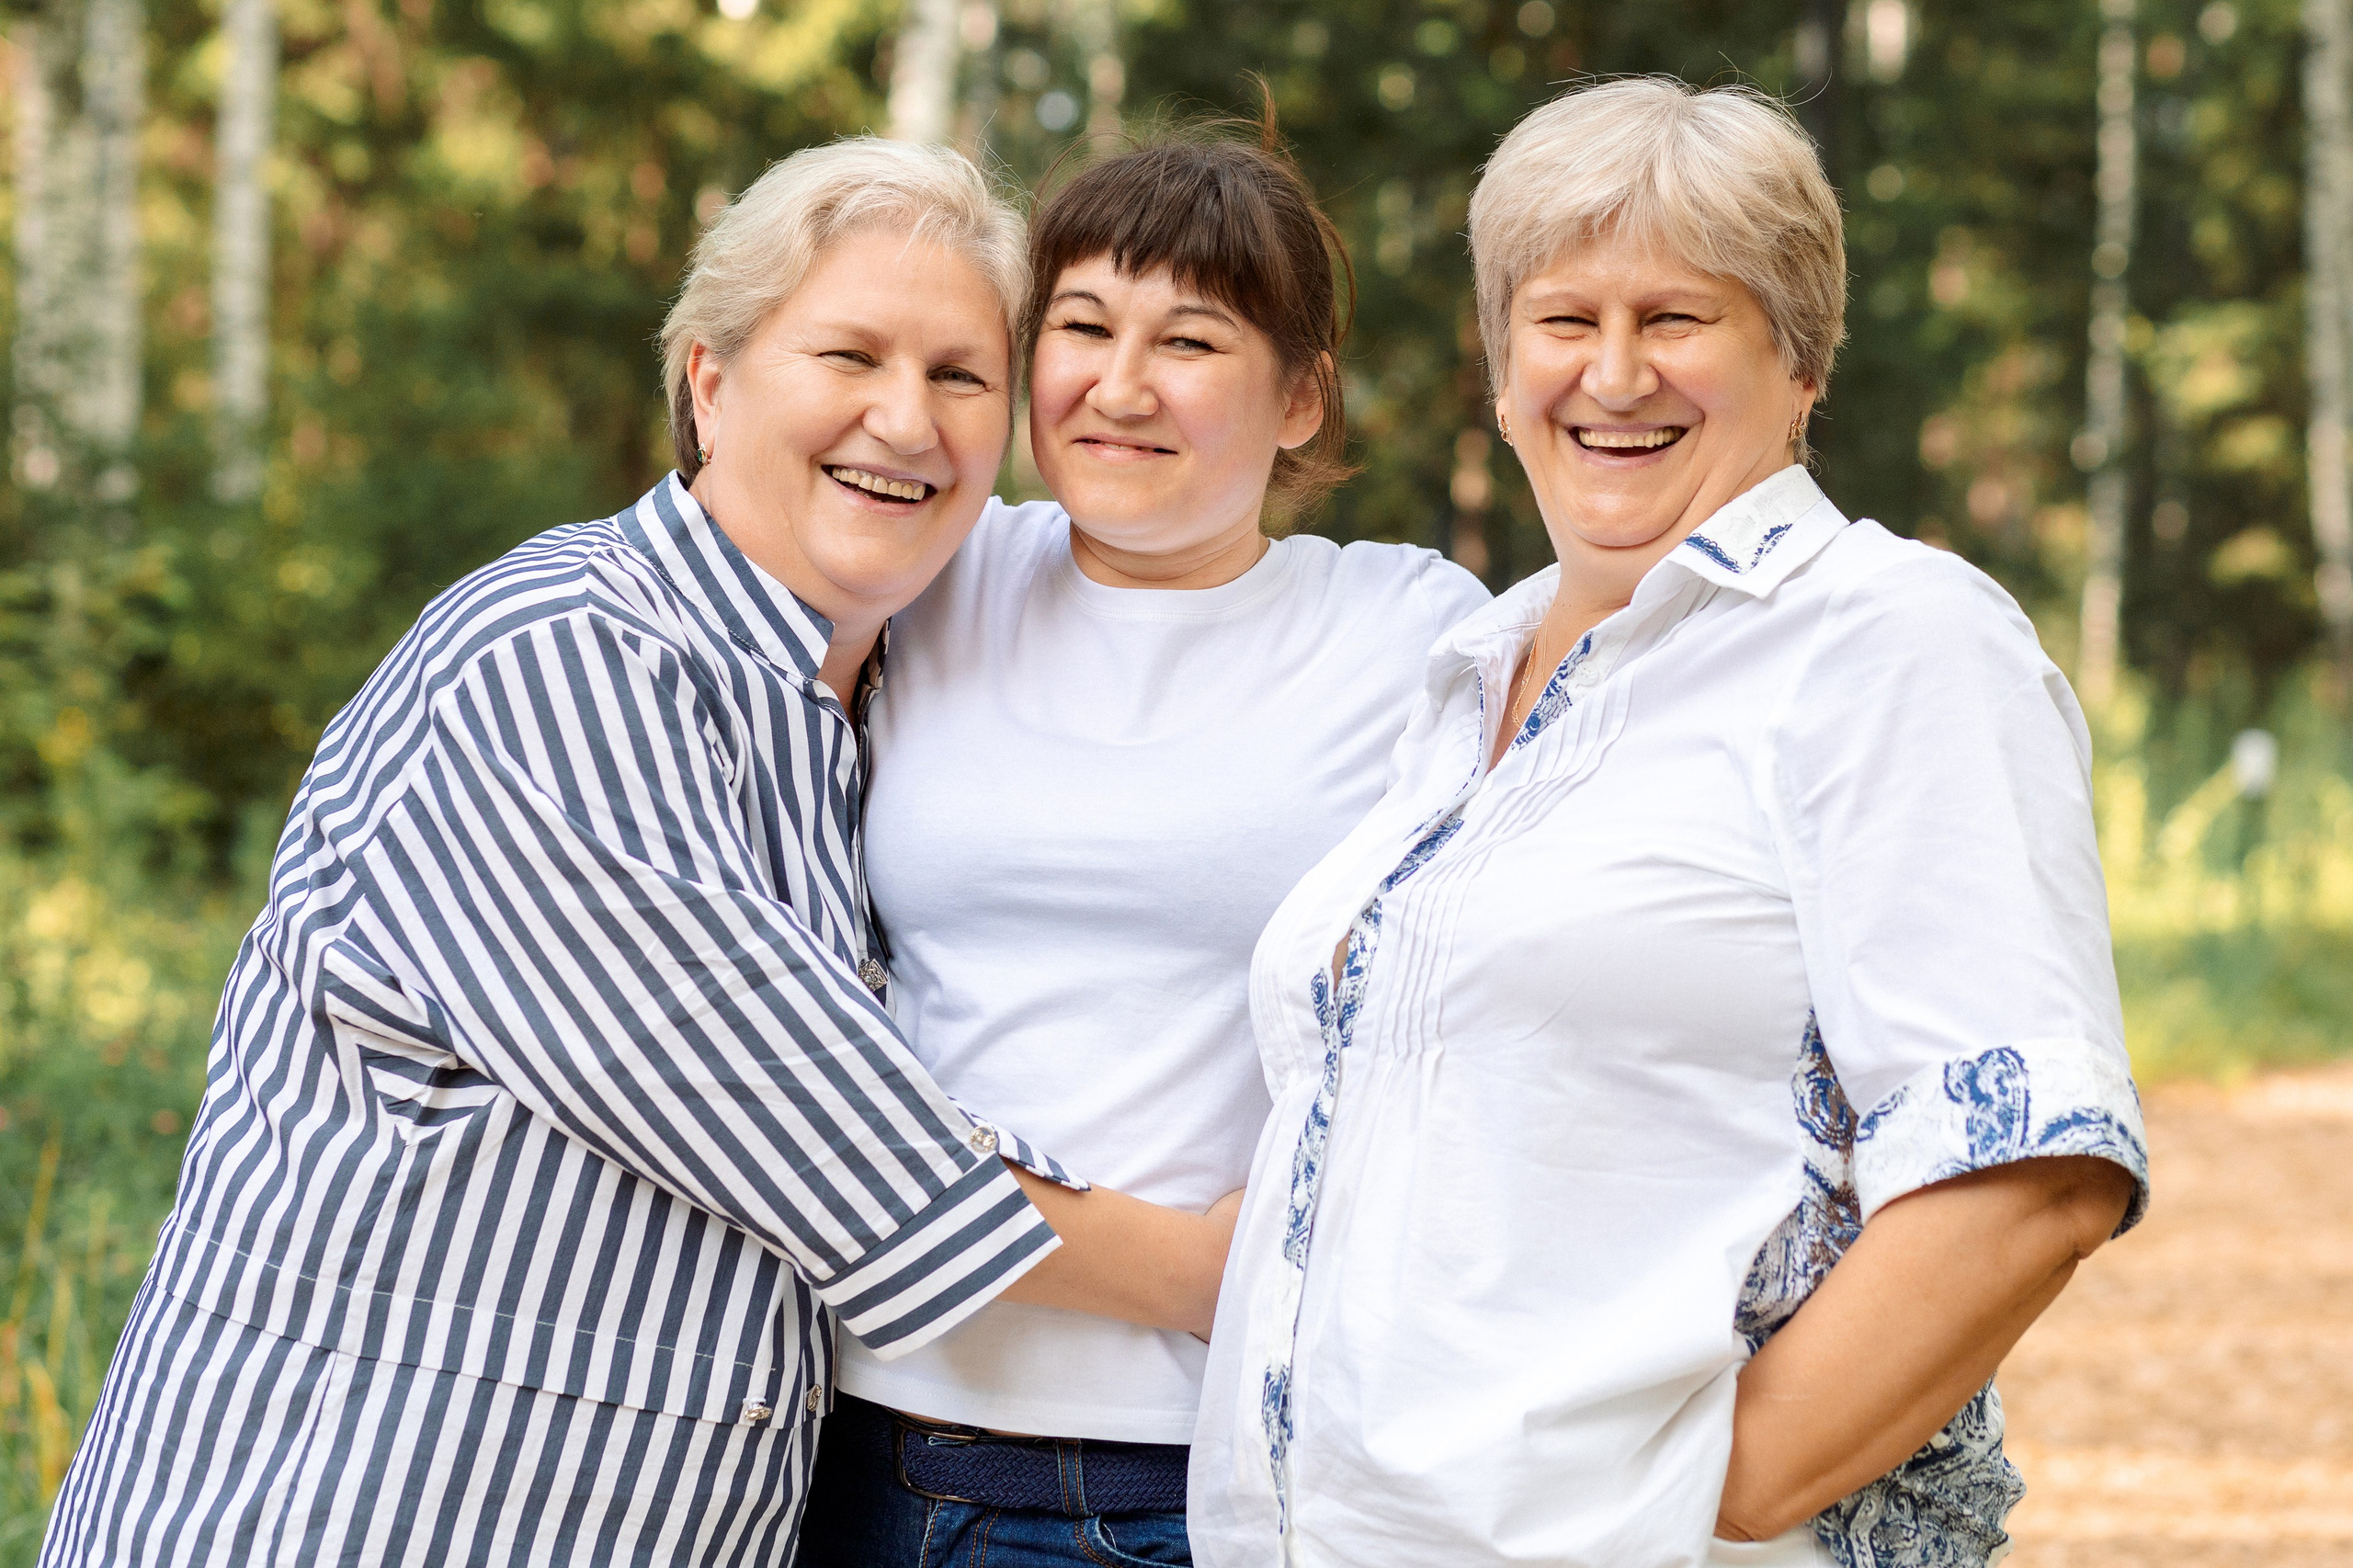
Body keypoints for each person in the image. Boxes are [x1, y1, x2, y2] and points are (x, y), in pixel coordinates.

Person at [40, 138, 1237, 1568]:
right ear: (710, 380)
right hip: (353, 1513)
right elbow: (826, 1133)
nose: (904, 421)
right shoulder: (564, 661)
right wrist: (1240, 1271)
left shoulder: (864, 701)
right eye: (848, 354)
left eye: (960, 376)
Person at [1188, 78, 2153, 1568]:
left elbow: (2025, 1173)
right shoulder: (1467, 675)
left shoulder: (1890, 639)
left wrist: (1707, 1502)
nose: (1614, 374)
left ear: (1802, 360)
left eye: (1680, 320)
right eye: (1565, 320)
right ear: (1505, 368)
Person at [794, 125, 1492, 1567]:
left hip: (1197, 1470)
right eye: (1082, 326)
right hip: (861, 1433)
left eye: (1190, 340)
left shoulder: (1409, 627)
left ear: (1302, 396)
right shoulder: (933, 572)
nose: (1119, 386)